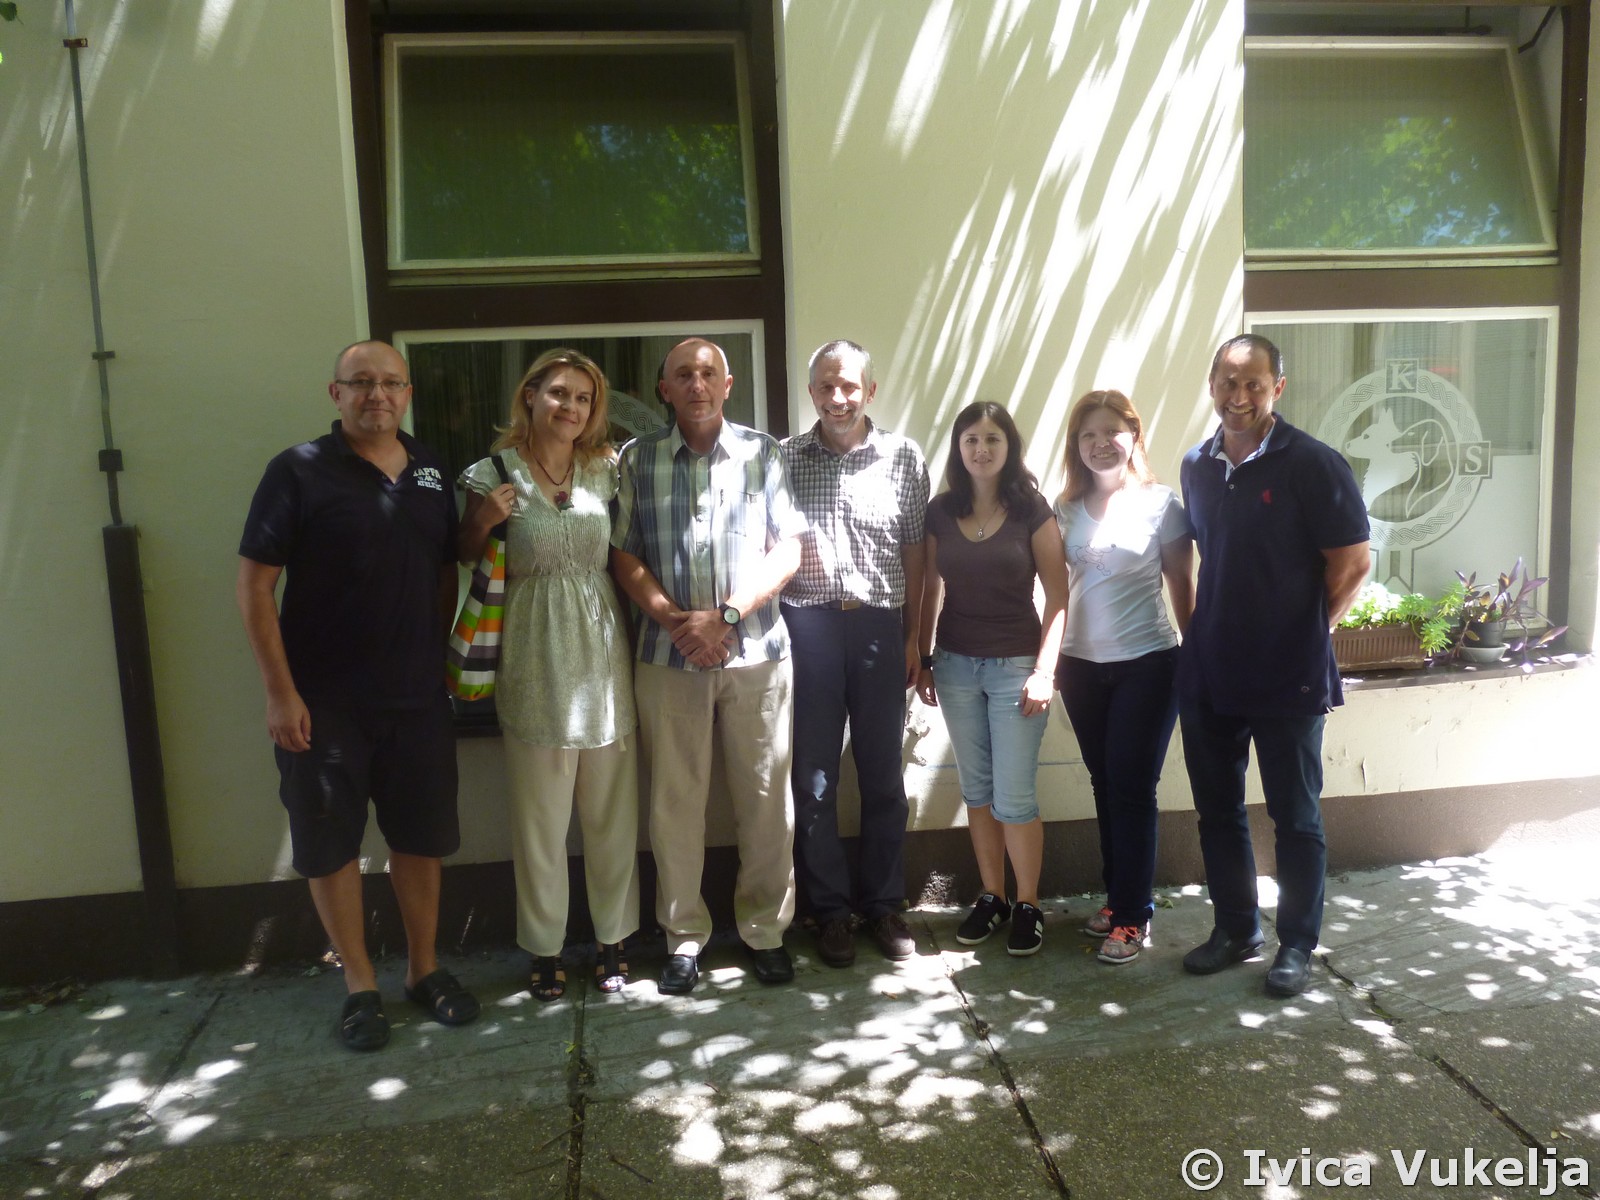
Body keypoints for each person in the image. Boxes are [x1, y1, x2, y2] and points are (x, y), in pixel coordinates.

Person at [237, 340, 480, 1052]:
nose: (378, 395)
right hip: (325, 702)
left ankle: (424, 969)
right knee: (330, 845)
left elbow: (444, 569)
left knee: (421, 840)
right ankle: (360, 985)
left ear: (407, 394)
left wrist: (437, 657)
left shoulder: (431, 468)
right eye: (362, 382)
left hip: (417, 697)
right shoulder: (298, 471)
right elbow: (254, 587)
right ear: (335, 393)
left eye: (391, 383)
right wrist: (281, 694)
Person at [609, 337, 806, 995]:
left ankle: (765, 932)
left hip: (757, 655)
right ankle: (683, 937)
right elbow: (623, 553)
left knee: (765, 800)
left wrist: (725, 616)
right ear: (663, 389)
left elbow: (787, 551)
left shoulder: (763, 453)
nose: (697, 385)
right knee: (674, 803)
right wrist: (675, 621)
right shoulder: (637, 459)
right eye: (683, 375)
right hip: (666, 659)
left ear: (727, 385)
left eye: (707, 374)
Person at [1178, 334, 1370, 997]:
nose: (1240, 397)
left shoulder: (1313, 464)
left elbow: (1352, 565)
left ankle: (1296, 945)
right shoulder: (1197, 466)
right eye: (1228, 383)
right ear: (1212, 386)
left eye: (1254, 384)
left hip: (1289, 673)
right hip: (1211, 670)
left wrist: (1307, 629)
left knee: (1295, 816)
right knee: (1218, 812)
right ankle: (1236, 928)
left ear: (1277, 388)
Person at [457, 348, 640, 1003]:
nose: (571, 407)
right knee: (539, 820)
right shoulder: (492, 472)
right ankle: (545, 948)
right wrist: (483, 519)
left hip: (602, 652)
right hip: (532, 651)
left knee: (611, 812)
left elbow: (626, 551)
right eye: (559, 393)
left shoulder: (606, 469)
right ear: (530, 395)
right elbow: (462, 552)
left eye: (584, 398)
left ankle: (615, 937)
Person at [781, 340, 930, 967]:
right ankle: (830, 911)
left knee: (882, 775)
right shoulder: (785, 458)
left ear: (870, 391)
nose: (837, 398)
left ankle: (884, 905)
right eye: (825, 386)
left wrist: (915, 638)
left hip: (879, 628)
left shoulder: (903, 457)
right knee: (814, 779)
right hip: (807, 628)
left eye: (849, 386)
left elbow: (918, 554)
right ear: (811, 393)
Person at [916, 402, 1068, 957]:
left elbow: (1058, 596)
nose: (981, 450)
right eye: (971, 440)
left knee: (1015, 797)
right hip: (955, 666)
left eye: (992, 439)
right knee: (977, 791)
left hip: (1016, 669)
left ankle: (1028, 903)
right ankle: (993, 896)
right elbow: (930, 589)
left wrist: (1045, 670)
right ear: (959, 449)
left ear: (1010, 447)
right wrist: (924, 657)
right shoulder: (940, 511)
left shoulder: (1031, 509)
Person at [1053, 390, 1194, 965]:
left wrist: (1197, 653)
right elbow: (1054, 590)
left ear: (1133, 435)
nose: (1100, 443)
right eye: (1088, 434)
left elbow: (1183, 585)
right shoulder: (1064, 508)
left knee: (1132, 788)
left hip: (1148, 664)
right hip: (1080, 667)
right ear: (1076, 445)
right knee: (1104, 784)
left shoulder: (1162, 505)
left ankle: (1134, 916)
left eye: (1112, 431)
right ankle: (1118, 901)